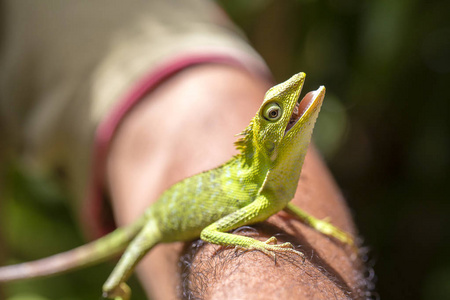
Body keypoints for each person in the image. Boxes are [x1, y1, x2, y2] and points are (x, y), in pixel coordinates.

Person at [0, 1, 367, 298]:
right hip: (157, 221)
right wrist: (258, 247)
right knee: (122, 268)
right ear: (268, 143)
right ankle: (112, 285)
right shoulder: (260, 194)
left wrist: (315, 223)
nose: (295, 88)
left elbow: (281, 202)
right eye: (275, 113)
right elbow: (210, 233)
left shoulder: (270, 188)